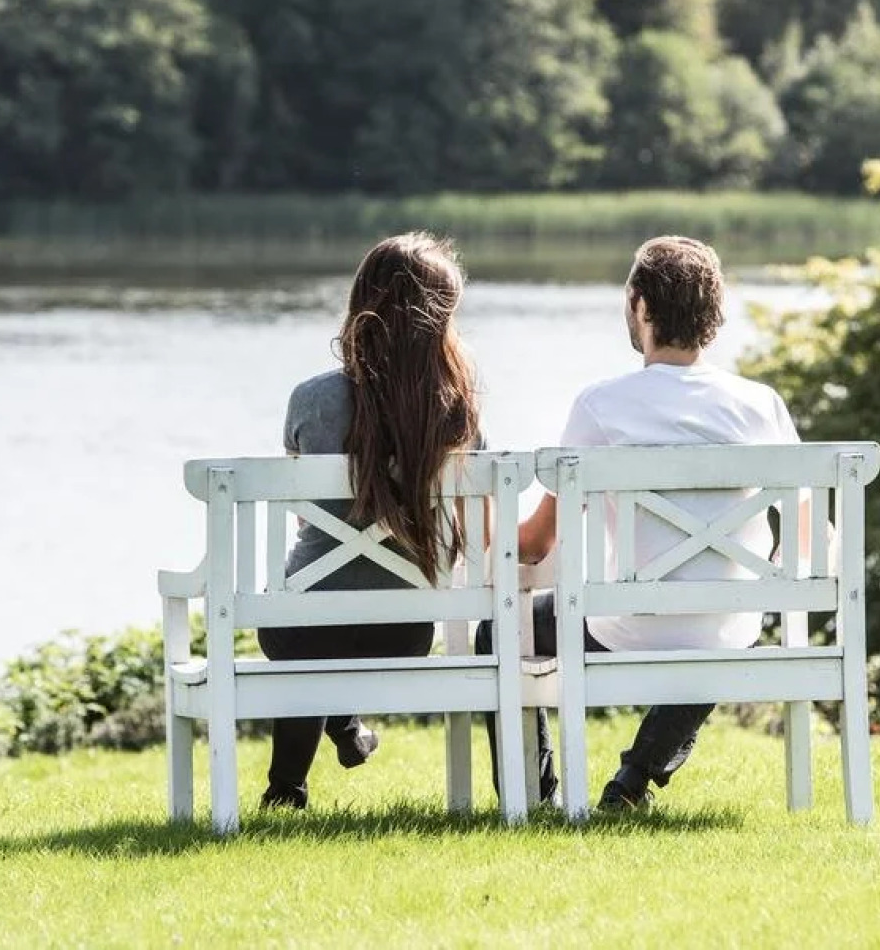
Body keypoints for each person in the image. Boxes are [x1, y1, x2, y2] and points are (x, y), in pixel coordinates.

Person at [478, 235, 802, 810]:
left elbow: (537, 543)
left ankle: (536, 795)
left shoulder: (601, 405)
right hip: (728, 628)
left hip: (624, 628)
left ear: (642, 307)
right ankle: (631, 783)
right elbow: (807, 533)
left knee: (497, 630)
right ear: (714, 313)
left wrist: (482, 536)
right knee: (714, 630)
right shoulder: (759, 404)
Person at [259, 233, 483, 809]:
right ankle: (346, 730)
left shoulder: (312, 399)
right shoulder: (456, 407)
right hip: (403, 631)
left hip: (297, 631)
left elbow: (306, 511)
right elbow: (473, 525)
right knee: (327, 630)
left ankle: (287, 788)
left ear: (362, 303)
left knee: (311, 630)